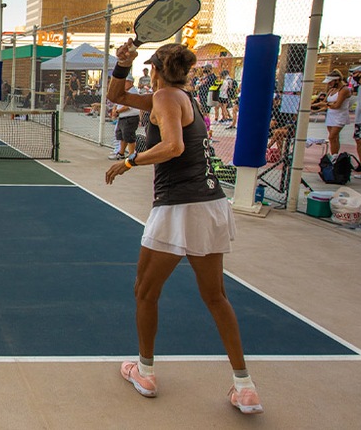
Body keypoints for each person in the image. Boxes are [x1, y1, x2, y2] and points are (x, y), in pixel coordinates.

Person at [105, 42, 262, 415]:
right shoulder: (181, 97)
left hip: (180, 206)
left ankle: (144, 372)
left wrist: (129, 162)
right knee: (215, 296)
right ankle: (245, 387)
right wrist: (121, 64)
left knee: (145, 291)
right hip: (211, 204)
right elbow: (118, 95)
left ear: (156, 70)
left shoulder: (164, 98)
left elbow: (173, 146)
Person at [316, 69, 352, 156]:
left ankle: (334, 156)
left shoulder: (344, 90)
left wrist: (327, 104)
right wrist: (315, 106)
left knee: (332, 137)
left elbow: (337, 105)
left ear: (337, 80)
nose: (329, 84)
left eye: (330, 82)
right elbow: (324, 103)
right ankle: (334, 154)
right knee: (334, 138)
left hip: (340, 115)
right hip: (331, 115)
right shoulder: (331, 90)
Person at [108, 76, 140, 160]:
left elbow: (128, 106)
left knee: (129, 136)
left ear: (130, 82)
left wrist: (117, 112)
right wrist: (115, 110)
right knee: (122, 136)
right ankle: (121, 153)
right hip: (123, 117)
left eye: (125, 82)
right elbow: (117, 103)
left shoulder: (133, 92)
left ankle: (131, 156)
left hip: (130, 117)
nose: (123, 84)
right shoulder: (125, 92)